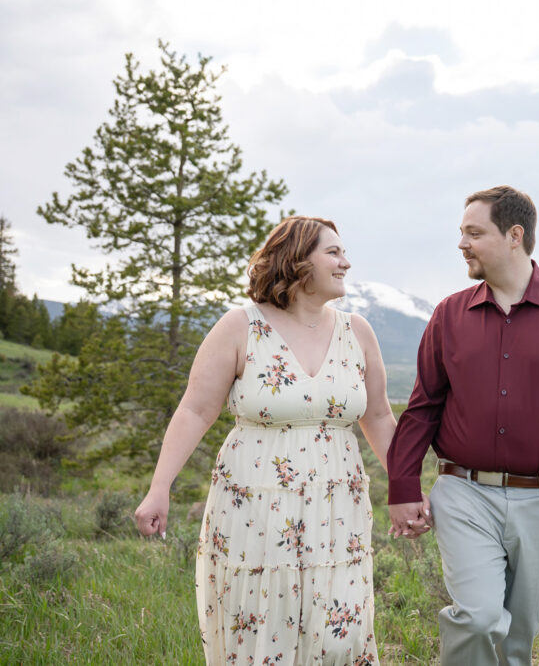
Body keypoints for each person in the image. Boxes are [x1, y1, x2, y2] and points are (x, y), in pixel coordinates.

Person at [387, 185, 539, 665]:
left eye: (474, 233)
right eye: (461, 233)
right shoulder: (448, 315)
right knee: (478, 617)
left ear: (514, 235)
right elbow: (422, 408)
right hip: (463, 492)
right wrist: (403, 486)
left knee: (518, 637)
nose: (462, 244)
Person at [135, 216, 392, 666]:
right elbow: (195, 410)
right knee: (262, 631)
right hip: (254, 508)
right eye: (333, 252)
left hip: (337, 510)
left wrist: (407, 489)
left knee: (338, 639)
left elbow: (379, 416)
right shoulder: (241, 327)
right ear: (297, 261)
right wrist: (160, 489)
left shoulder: (358, 332)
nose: (346, 262)